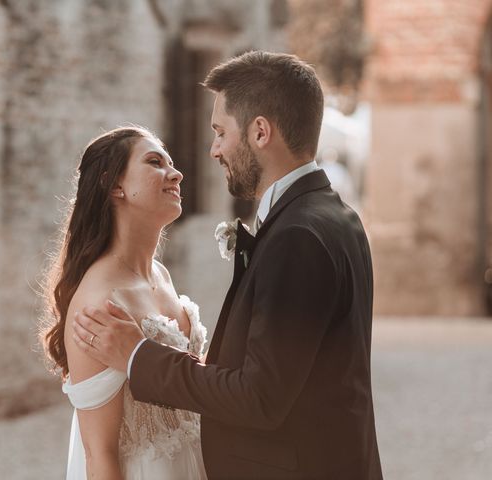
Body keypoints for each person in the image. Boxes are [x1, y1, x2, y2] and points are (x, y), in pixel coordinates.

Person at [73, 51, 383, 479]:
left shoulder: (297, 235)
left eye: (221, 132)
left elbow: (259, 396)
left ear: (260, 132)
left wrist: (139, 355)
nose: (213, 149)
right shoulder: (336, 216)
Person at [40, 126, 208, 479]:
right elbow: (98, 455)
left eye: (172, 164)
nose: (176, 173)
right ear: (115, 185)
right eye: (154, 162)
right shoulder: (99, 302)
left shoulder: (160, 274)